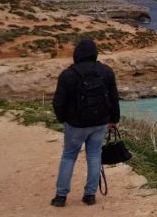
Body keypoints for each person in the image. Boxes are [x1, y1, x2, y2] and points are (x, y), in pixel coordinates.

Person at [51, 39, 120, 207]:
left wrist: (63, 119)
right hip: (100, 123)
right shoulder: (106, 71)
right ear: (95, 53)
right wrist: (114, 120)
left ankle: (61, 197)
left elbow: (58, 103)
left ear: (77, 54)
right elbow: (114, 98)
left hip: (75, 124)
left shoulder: (68, 74)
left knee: (68, 157)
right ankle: (90, 195)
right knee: (94, 155)